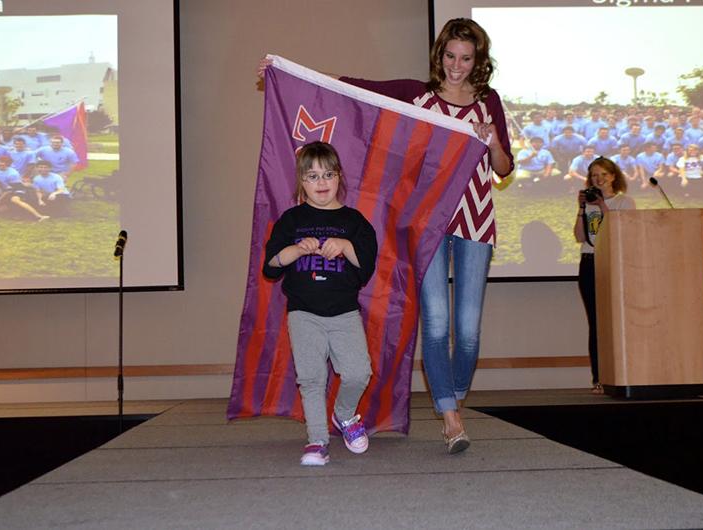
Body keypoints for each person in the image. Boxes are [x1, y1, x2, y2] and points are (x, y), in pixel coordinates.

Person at [259, 18, 514, 453]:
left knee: (467, 331)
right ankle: (451, 416)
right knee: (435, 323)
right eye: (450, 56)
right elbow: (355, 88)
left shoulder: (488, 102)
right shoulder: (419, 96)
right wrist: (289, 74)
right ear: (440, 57)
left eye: (466, 59)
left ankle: (452, 396)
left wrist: (490, 142)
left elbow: (504, 168)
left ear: (478, 62)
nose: (456, 66)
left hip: (475, 222)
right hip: (428, 225)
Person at [263, 142, 377, 466]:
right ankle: (317, 440)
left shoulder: (355, 221)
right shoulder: (291, 219)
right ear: (301, 182)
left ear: (339, 177)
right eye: (312, 176)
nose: (321, 182)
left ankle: (344, 415)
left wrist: (344, 245)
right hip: (303, 313)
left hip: (344, 312)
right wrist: (298, 250)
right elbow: (271, 265)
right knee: (311, 377)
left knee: (358, 372)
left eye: (328, 174)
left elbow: (366, 265)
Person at [573, 158, 636, 393]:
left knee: (616, 323)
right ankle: (597, 378)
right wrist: (581, 208)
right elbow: (580, 237)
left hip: (614, 264)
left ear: (613, 177)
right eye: (594, 176)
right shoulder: (587, 203)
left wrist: (602, 206)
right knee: (596, 324)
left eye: (603, 175)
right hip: (589, 263)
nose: (598, 180)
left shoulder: (624, 202)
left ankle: (620, 375)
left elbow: (618, 232)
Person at [0, 156, 48, 221]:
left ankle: (39, 216)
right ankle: (12, 210)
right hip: (7, 189)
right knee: (1, 210)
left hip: (18, 189)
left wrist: (0, 198)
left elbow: (12, 188)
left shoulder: (13, 174)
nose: (0, 164)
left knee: (15, 200)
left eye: (3, 162)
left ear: (8, 164)